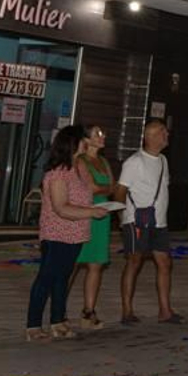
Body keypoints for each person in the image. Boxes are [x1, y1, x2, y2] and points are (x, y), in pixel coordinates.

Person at [27, 126, 110, 341]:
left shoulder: (78, 169)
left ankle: (58, 321)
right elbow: (61, 207)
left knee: (62, 279)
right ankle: (33, 326)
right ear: (72, 144)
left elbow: (92, 191)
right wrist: (91, 212)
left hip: (76, 233)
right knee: (46, 278)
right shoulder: (58, 174)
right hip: (57, 234)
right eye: (82, 139)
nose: (86, 142)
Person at [117, 118, 180, 325]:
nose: (167, 135)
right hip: (136, 222)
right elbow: (119, 192)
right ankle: (127, 310)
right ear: (150, 136)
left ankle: (165, 310)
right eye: (163, 132)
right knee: (134, 262)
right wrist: (122, 220)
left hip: (159, 222)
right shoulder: (134, 162)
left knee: (164, 263)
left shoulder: (163, 160)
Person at [73, 124, 114, 330]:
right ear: (86, 139)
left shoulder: (103, 161)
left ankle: (89, 311)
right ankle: (58, 310)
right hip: (84, 214)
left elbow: (111, 186)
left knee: (96, 264)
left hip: (102, 214)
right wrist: (103, 189)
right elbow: (92, 187)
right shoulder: (80, 160)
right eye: (97, 133)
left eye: (103, 132)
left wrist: (103, 189)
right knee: (73, 263)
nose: (102, 135)